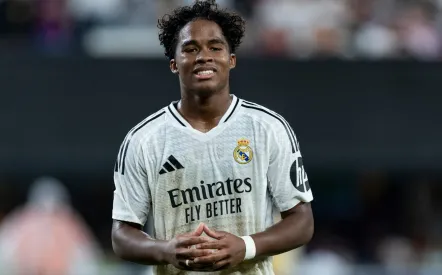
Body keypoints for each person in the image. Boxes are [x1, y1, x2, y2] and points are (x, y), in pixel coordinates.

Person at [111, 1, 314, 274]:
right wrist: (166, 250)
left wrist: (246, 246)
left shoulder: (268, 128)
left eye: (215, 47)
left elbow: (302, 221)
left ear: (231, 60)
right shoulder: (143, 140)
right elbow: (122, 235)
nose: (203, 56)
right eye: (190, 49)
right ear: (174, 63)